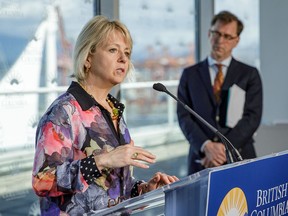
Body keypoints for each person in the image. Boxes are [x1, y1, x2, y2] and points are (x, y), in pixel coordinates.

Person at [32, 15, 178, 215]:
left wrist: (144, 190)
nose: (123, 59)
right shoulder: (63, 112)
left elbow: (113, 186)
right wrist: (103, 160)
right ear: (88, 57)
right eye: (113, 50)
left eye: (127, 52)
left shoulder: (114, 109)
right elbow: (43, 182)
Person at [177, 11, 263, 175]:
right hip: (202, 159)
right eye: (217, 33)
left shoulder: (249, 74)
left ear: (236, 41)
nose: (220, 40)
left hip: (240, 158)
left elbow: (252, 117)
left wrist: (224, 148)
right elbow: (184, 116)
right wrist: (206, 145)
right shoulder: (190, 75)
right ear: (210, 34)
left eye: (227, 36)